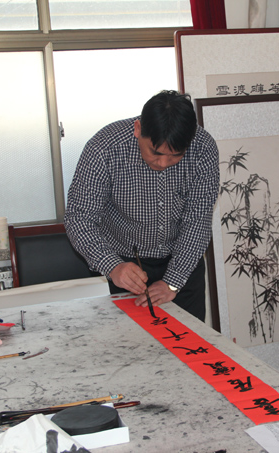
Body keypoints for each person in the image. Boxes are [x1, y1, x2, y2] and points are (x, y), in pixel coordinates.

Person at [65, 90, 219, 321]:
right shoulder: (105, 147)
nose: (163, 163)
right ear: (138, 129)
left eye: (175, 156)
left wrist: (172, 282)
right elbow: (79, 217)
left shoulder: (203, 148)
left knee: (189, 338)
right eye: (156, 153)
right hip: (124, 265)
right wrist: (112, 266)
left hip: (182, 262)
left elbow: (198, 221)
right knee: (128, 339)